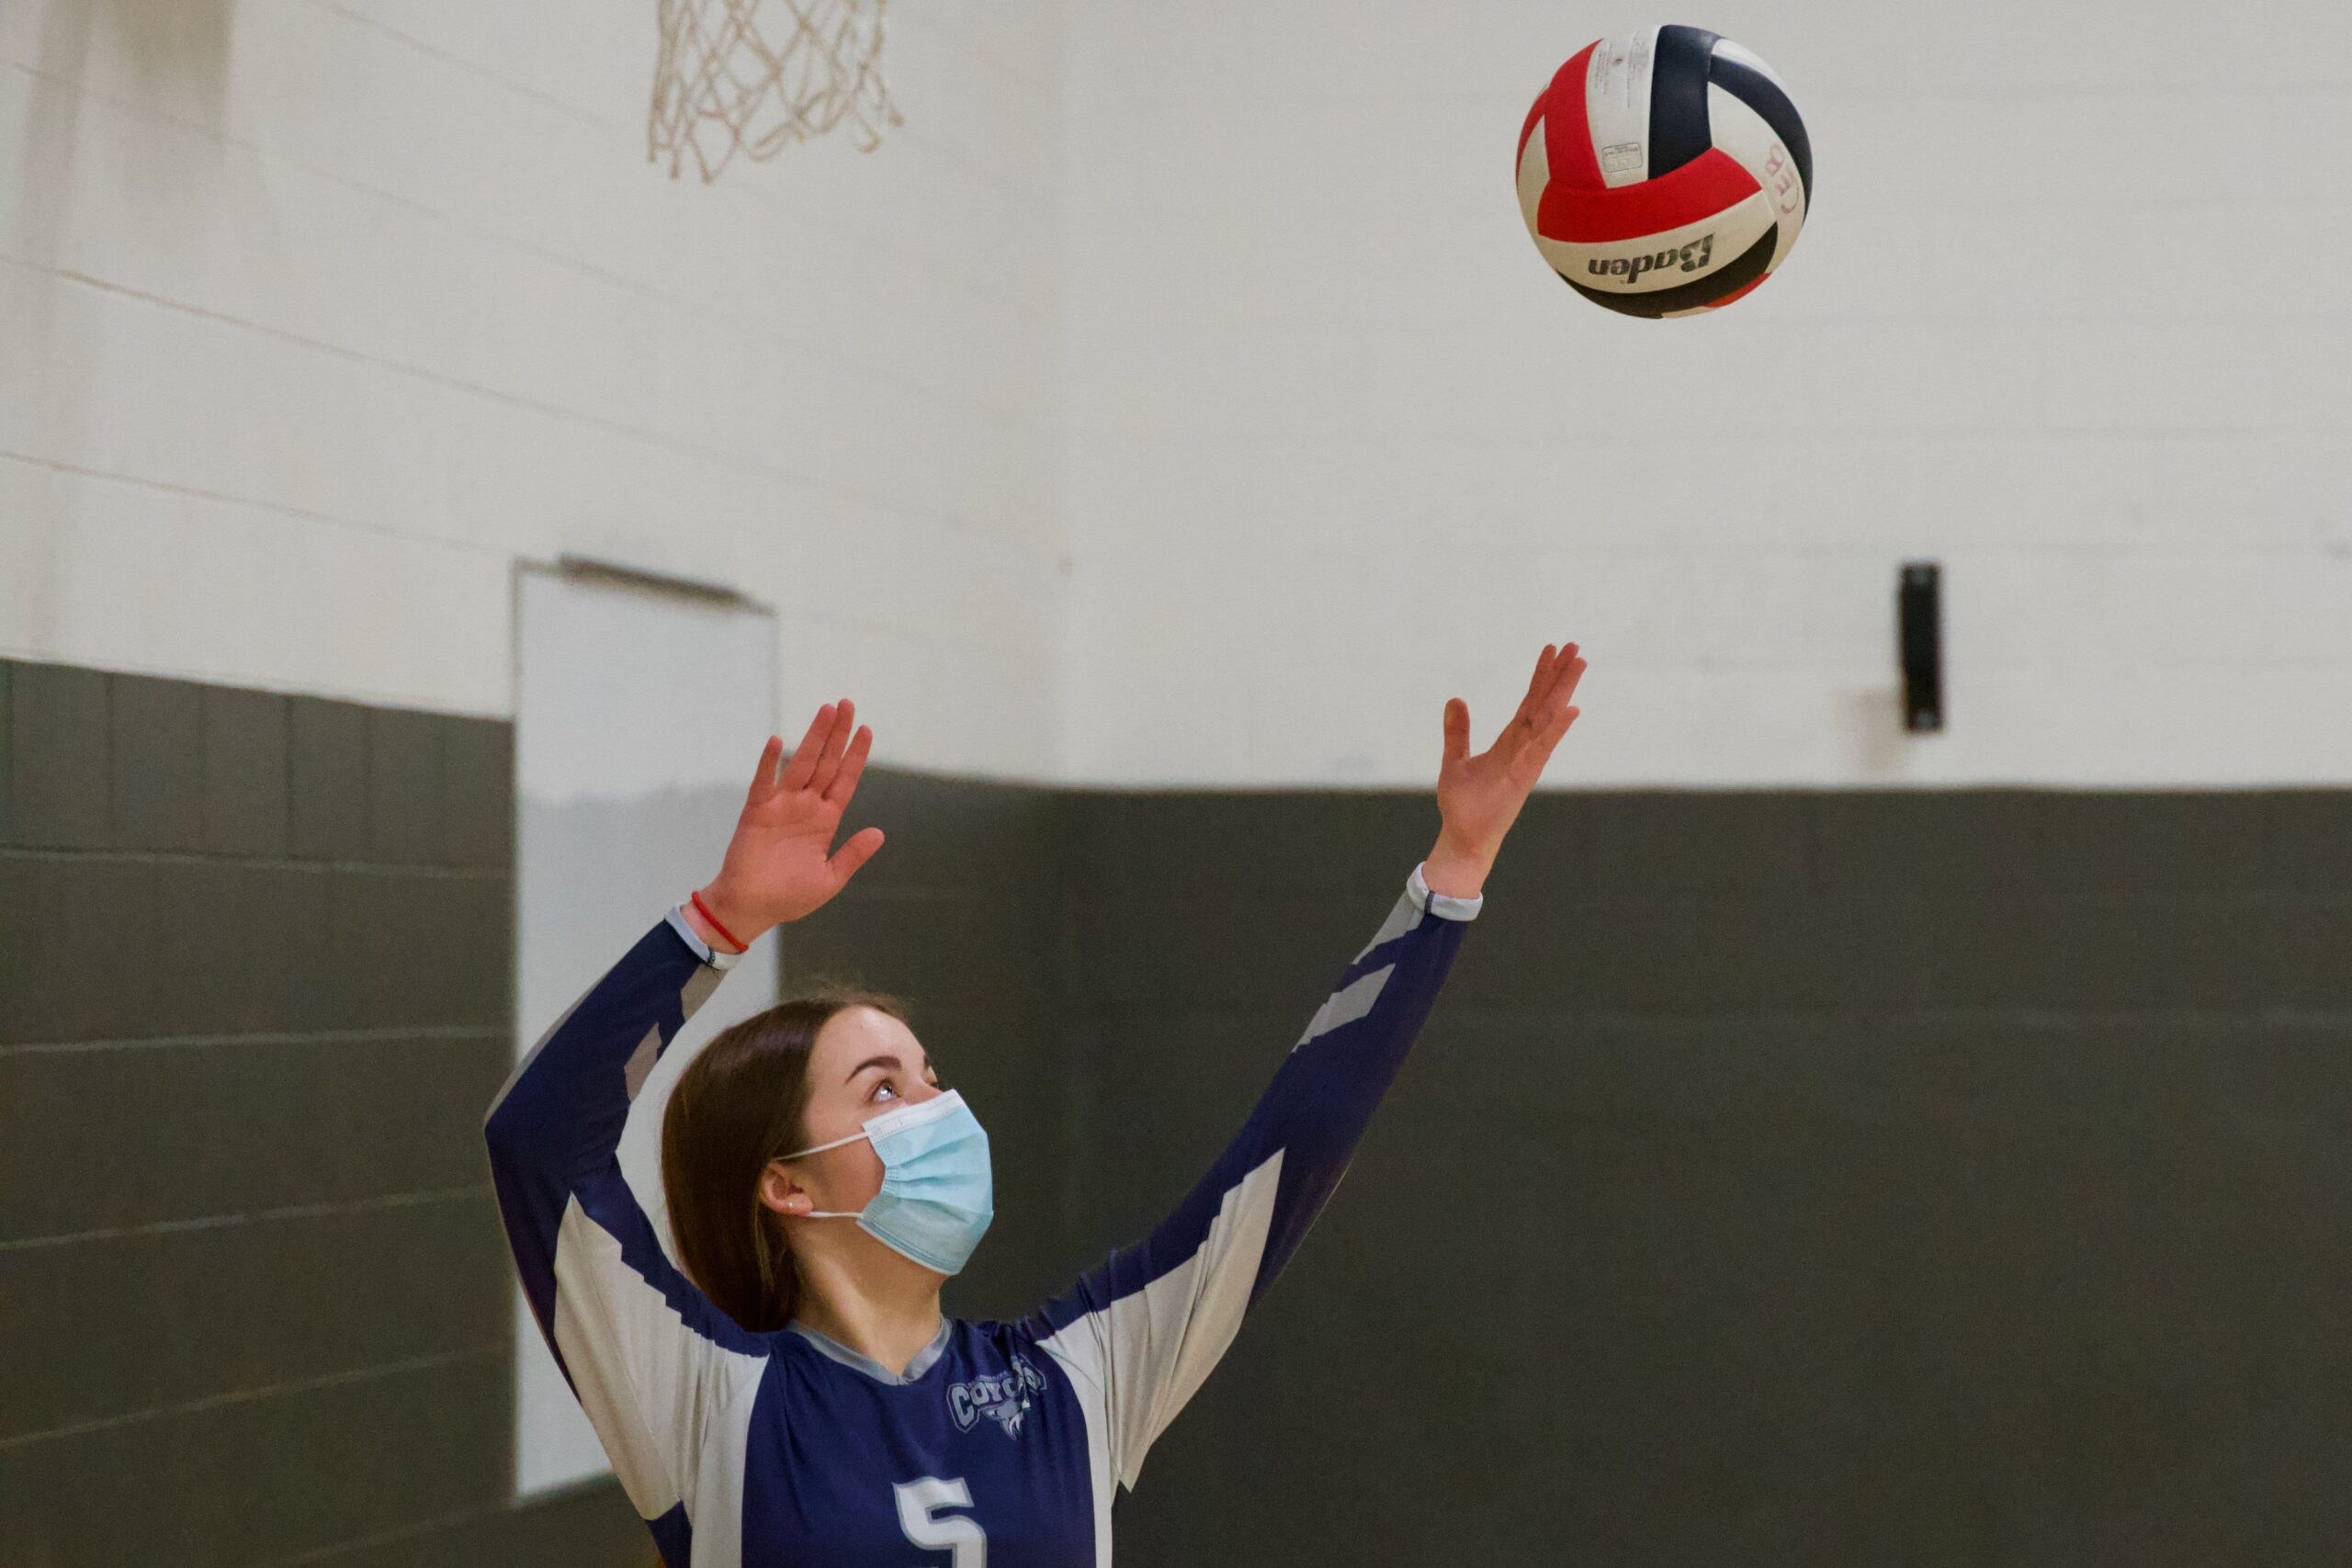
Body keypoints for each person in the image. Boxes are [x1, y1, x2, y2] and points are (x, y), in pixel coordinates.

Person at [485, 641, 1587, 1568]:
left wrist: (1451, 876)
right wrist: (717, 922)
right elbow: (537, 1138)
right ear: (786, 1182)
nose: (936, 1111)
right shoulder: (706, 1401)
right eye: (885, 1088)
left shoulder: (1081, 1374)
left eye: (931, 1077)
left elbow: (1289, 1145)